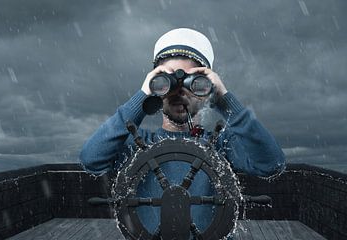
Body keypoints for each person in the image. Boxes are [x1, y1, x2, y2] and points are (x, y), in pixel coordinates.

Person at [80, 28, 285, 235]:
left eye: (192, 82)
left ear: (206, 91)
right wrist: (142, 96)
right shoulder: (136, 145)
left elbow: (272, 164)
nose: (179, 93)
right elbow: (91, 159)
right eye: (166, 82)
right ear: (157, 88)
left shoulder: (223, 144)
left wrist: (224, 99)